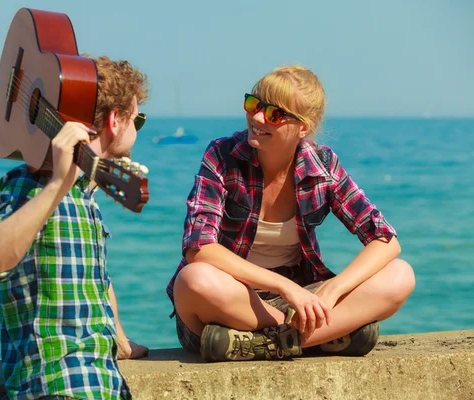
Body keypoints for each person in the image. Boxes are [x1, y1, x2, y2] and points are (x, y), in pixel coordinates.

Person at [166, 65, 416, 362]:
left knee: (400, 275)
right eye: (253, 104)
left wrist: (332, 291)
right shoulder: (222, 155)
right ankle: (318, 338)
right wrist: (284, 287)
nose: (257, 117)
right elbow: (199, 249)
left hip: (297, 302)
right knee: (194, 280)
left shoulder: (322, 166)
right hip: (229, 303)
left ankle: (263, 344)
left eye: (274, 113)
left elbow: (385, 239)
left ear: (303, 127)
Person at [0, 55, 149, 400]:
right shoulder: (31, 184)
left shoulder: (85, 193)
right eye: (136, 119)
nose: (137, 129)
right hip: (57, 387)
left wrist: (119, 340)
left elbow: (90, 281)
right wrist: (55, 187)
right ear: (115, 120)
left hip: (101, 386)